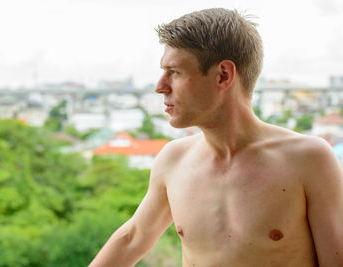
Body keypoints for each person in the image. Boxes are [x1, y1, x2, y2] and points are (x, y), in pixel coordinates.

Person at [89, 8, 343, 266]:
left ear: (223, 75)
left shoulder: (308, 159)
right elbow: (132, 238)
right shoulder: (173, 159)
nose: (159, 86)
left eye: (174, 72)